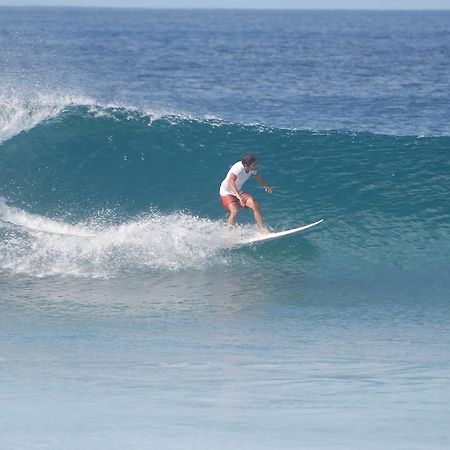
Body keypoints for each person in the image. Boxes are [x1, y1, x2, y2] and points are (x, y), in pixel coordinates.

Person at [219, 153, 273, 234]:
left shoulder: (252, 169)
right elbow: (231, 181)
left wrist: (266, 185)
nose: (256, 165)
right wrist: (238, 196)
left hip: (237, 191)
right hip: (226, 191)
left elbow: (257, 176)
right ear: (246, 165)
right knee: (234, 211)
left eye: (256, 163)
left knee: (255, 205)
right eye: (254, 164)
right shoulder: (238, 168)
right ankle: (228, 234)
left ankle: (262, 231)